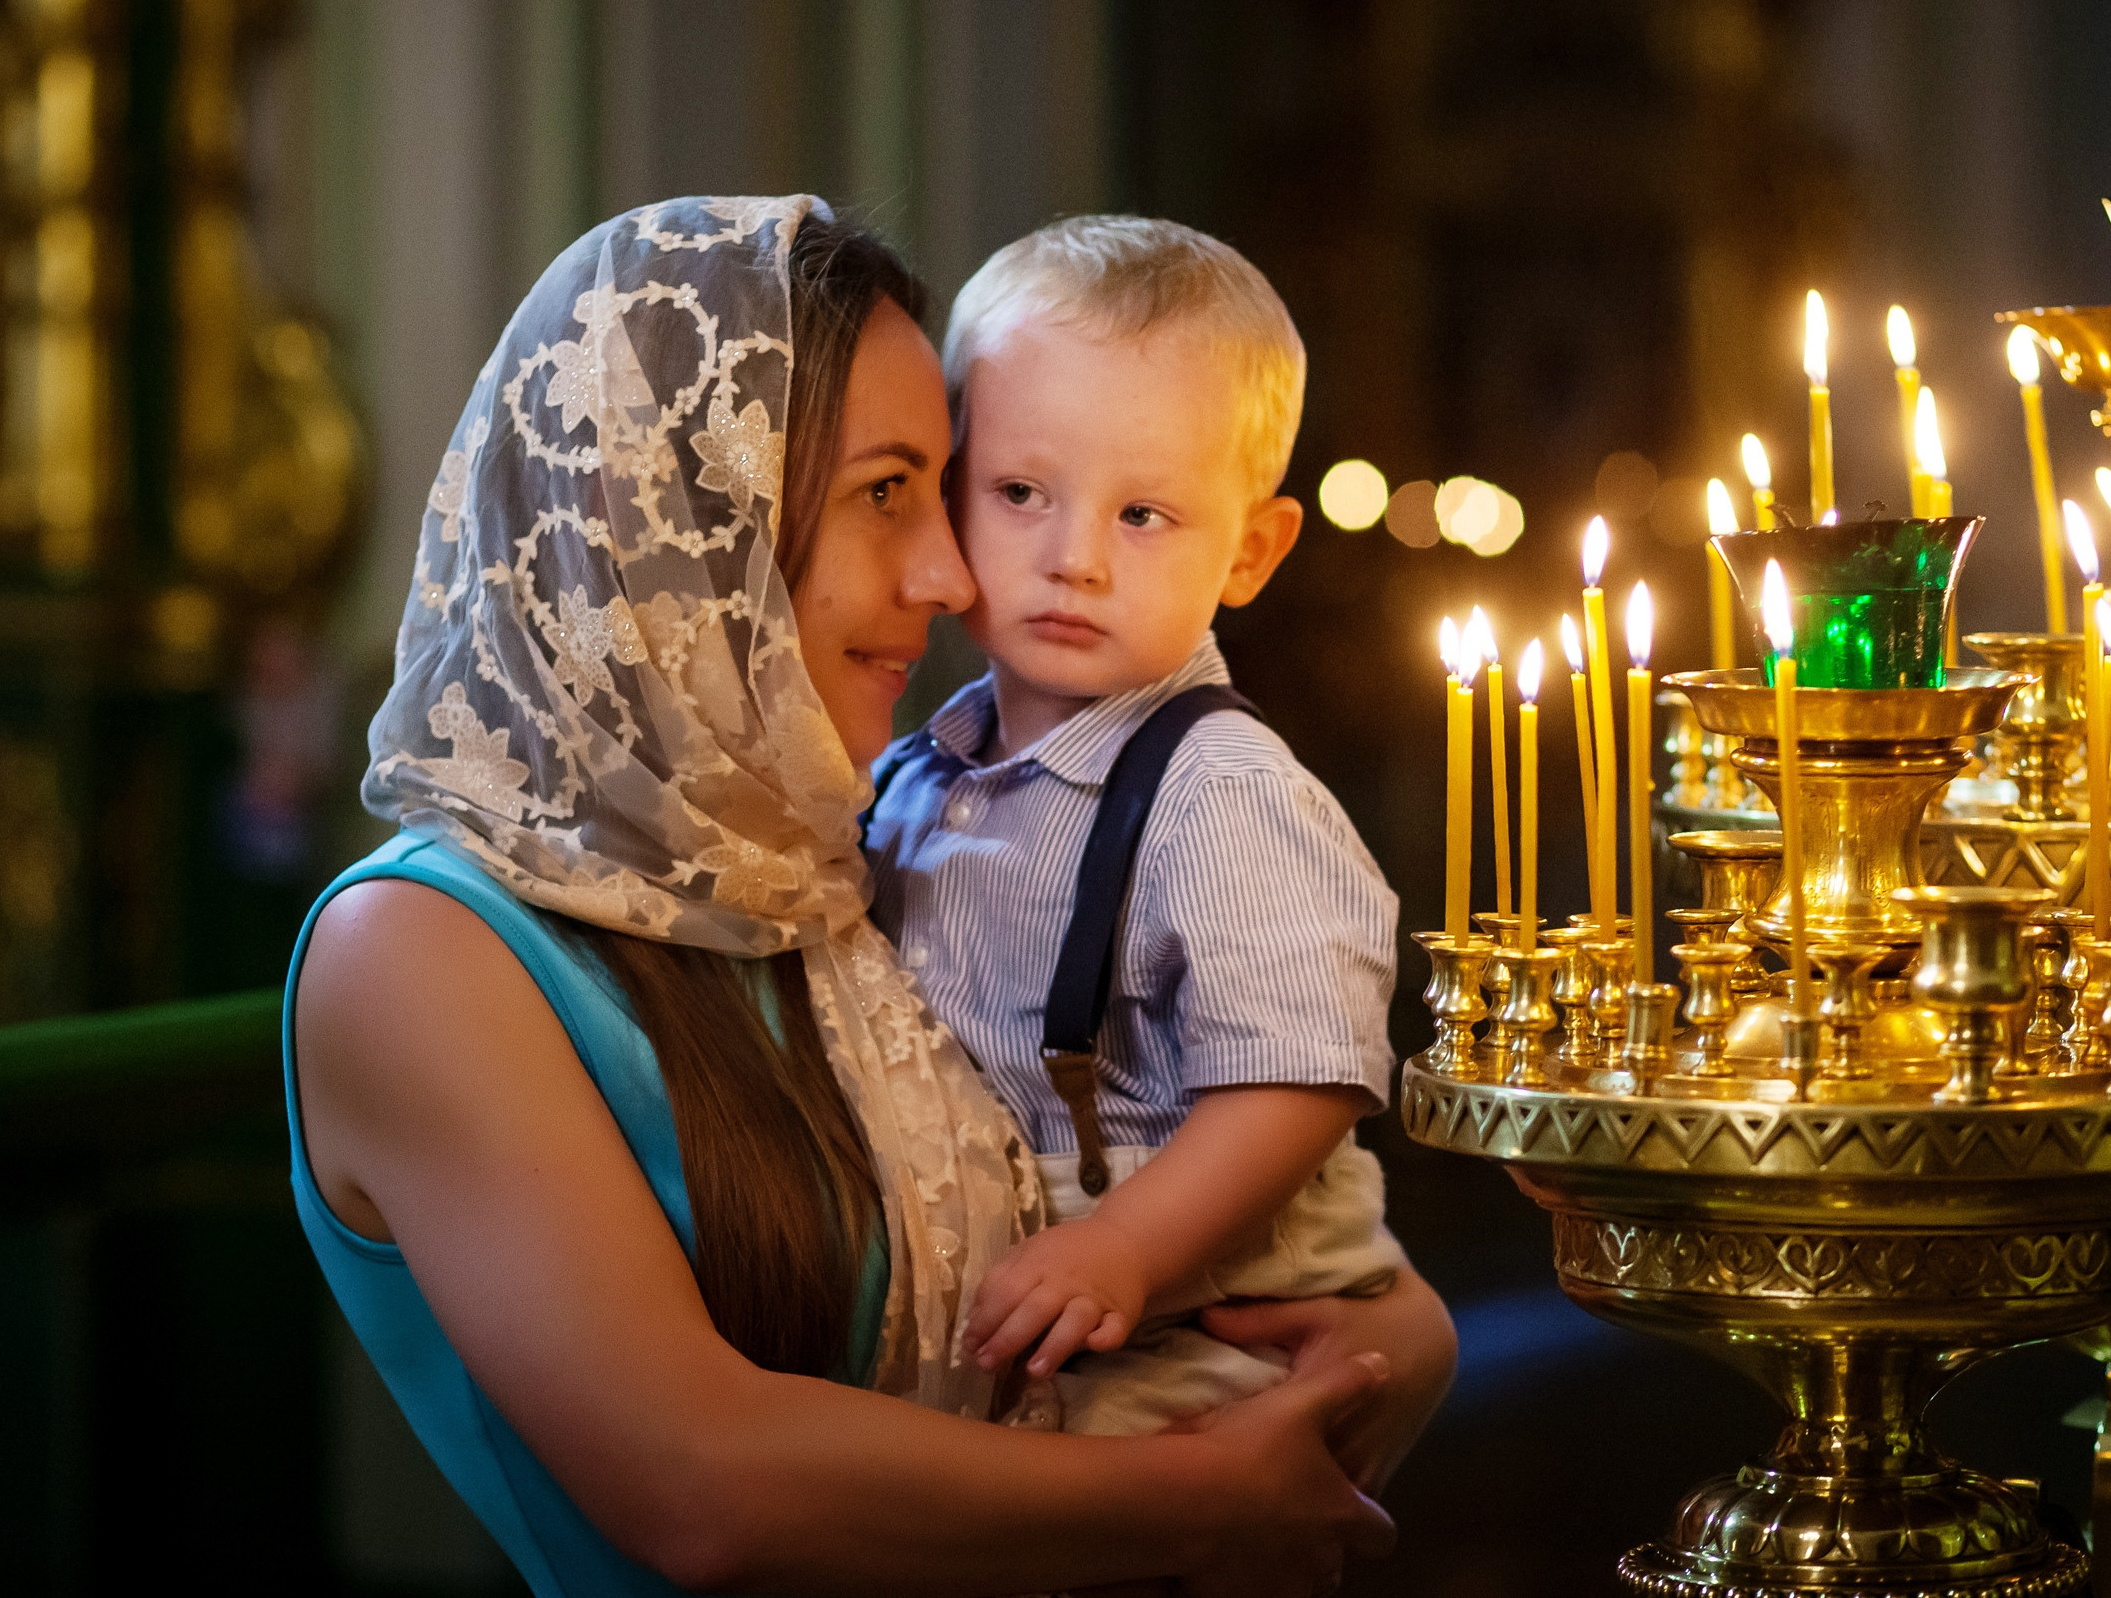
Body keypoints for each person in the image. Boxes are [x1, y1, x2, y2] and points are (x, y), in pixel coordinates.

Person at [287, 195, 1453, 1597]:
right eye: (893, 491)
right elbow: (703, 1489)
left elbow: (1110, 1177)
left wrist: (1395, 1325)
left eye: (944, 486)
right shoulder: (416, 943)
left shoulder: (816, 852)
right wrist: (1202, 1491)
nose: (958, 570)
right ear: (695, 520)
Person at [864, 217, 1404, 1438]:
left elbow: (1296, 1081)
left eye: (1143, 516)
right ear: (951, 492)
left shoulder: (1221, 791)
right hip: (1004, 1305)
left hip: (1189, 1323)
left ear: (1252, 551)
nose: (1073, 560)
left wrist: (1124, 1244)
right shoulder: (916, 767)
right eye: (1019, 494)